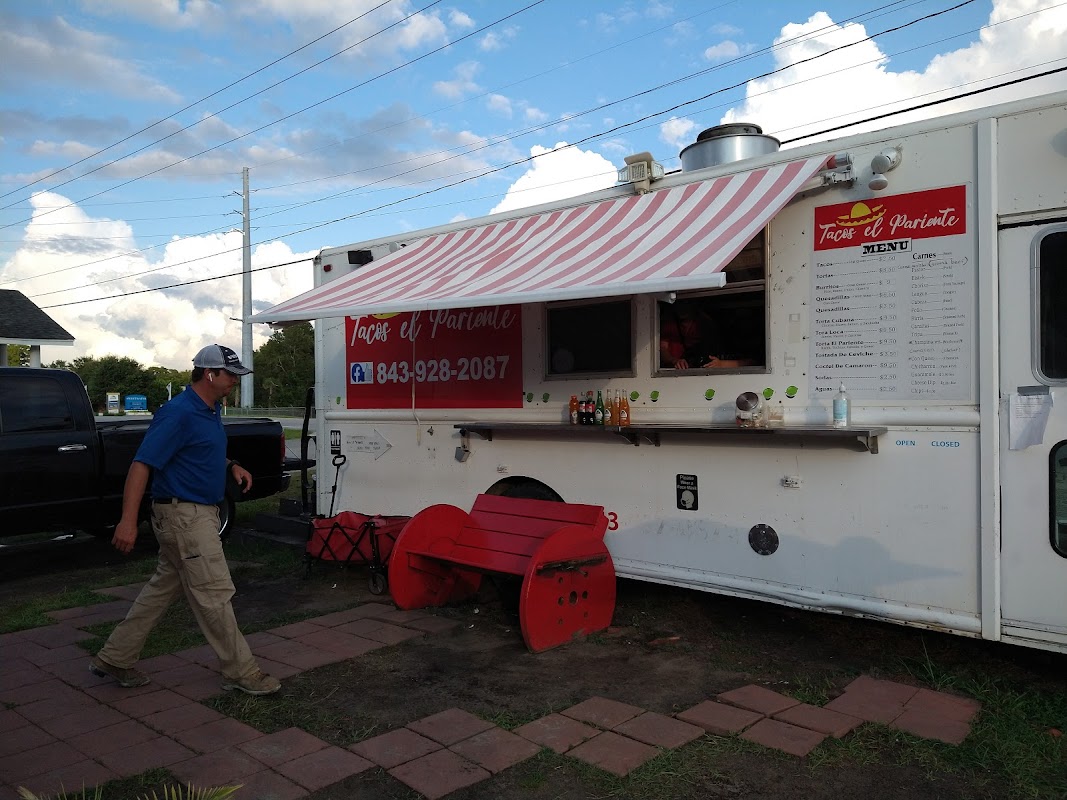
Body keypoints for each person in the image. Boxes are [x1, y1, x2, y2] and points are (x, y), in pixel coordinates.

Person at [89, 344, 281, 696]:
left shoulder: (210, 409)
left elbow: (199, 451)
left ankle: (115, 657)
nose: (234, 383)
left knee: (161, 591)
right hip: (184, 517)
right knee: (214, 593)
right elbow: (141, 464)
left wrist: (229, 465)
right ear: (210, 374)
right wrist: (127, 521)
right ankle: (242, 672)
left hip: (196, 515)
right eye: (230, 376)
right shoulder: (177, 413)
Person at [659, 302, 755, 369]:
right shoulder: (670, 323)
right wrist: (674, 361)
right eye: (679, 303)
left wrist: (721, 364)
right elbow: (662, 348)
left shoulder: (705, 323)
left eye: (687, 302)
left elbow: (753, 362)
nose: (682, 307)